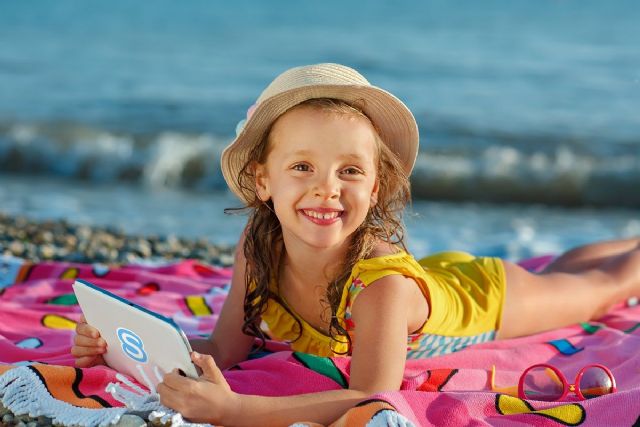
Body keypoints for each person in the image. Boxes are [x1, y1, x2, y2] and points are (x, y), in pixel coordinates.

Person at [71, 63, 640, 426]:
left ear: (376, 186)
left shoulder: (381, 289)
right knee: (564, 269)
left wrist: (236, 410)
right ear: (263, 181)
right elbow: (227, 347)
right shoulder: (257, 246)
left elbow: (372, 394)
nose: (326, 187)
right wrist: (124, 347)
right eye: (302, 166)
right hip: (439, 274)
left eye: (349, 170)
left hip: (479, 300)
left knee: (598, 287)